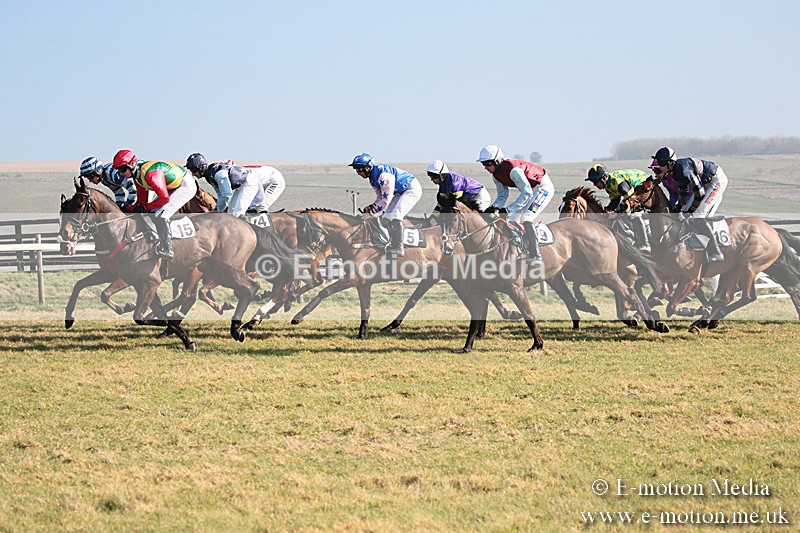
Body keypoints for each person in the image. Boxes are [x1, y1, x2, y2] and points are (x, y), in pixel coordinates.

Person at [113, 149, 198, 259]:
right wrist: (130, 208)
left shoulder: (150, 175)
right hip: (171, 187)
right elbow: (142, 201)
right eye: (118, 170)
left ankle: (168, 249)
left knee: (161, 214)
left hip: (185, 185)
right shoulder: (137, 177)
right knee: (152, 212)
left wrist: (145, 207)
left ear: (132, 164)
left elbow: (164, 199)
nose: (121, 173)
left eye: (122, 169)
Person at [650, 147, 728, 262]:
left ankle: (715, 251)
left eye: (661, 163)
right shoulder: (674, 172)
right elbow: (684, 192)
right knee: (684, 214)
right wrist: (679, 207)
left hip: (716, 181)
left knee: (697, 216)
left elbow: (700, 194)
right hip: (704, 183)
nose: (659, 167)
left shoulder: (683, 170)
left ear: (670, 162)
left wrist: (690, 211)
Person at [478, 145, 554, 261]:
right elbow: (502, 195)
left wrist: (508, 209)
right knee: (512, 220)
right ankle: (522, 249)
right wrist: (494, 207)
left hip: (542, 188)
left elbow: (527, 193)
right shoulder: (495, 175)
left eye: (488, 163)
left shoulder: (514, 171)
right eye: (483, 164)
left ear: (497, 161)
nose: (485, 167)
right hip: (530, 190)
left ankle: (536, 255)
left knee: (526, 218)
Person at [349, 152, 422, 256]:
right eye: (356, 169)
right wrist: (371, 207)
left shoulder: (383, 176)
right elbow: (380, 198)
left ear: (368, 167)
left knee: (396, 216)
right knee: (386, 218)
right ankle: (391, 243)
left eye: (359, 169)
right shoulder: (372, 179)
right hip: (400, 192)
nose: (358, 172)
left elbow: (386, 200)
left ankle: (399, 247)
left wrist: (371, 213)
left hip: (411, 189)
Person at [585, 164, 651, 251]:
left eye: (595, 181)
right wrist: (609, 209)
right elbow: (615, 200)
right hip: (634, 192)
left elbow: (629, 200)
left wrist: (616, 212)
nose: (594, 184)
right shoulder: (608, 186)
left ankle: (645, 244)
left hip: (644, 185)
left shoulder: (619, 183)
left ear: (604, 178)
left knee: (634, 214)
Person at [185, 154, 277, 215]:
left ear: (201, 167)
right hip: (241, 185)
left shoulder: (218, 175)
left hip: (249, 183)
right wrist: (218, 210)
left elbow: (227, 195)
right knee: (230, 213)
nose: (192, 174)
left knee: (237, 214)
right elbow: (220, 195)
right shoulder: (210, 176)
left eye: (193, 170)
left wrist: (218, 210)